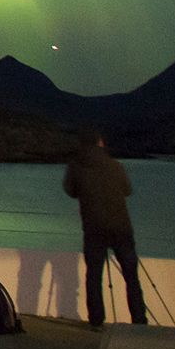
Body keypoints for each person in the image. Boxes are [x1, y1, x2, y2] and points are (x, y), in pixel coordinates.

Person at [63, 133, 147, 326]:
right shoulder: (115, 165)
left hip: (94, 228)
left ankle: (96, 319)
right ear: (100, 143)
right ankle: (139, 318)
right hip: (120, 226)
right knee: (131, 276)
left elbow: (71, 191)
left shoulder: (75, 166)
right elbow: (127, 190)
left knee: (94, 275)